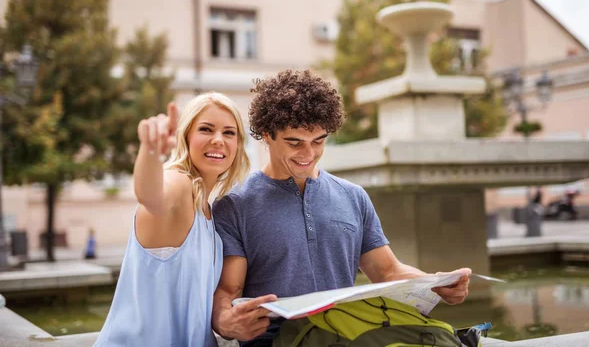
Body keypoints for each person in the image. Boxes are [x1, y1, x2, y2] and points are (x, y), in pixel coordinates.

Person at [212, 70, 471, 346]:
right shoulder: (235, 206)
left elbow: (388, 271)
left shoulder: (353, 197)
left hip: (343, 335)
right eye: (294, 142)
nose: (308, 154)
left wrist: (435, 283)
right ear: (267, 135)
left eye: (318, 141)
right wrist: (225, 322)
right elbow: (228, 290)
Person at [94, 92, 250, 347]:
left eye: (229, 133)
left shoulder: (209, 211)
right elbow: (152, 197)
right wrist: (151, 152)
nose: (218, 140)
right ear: (186, 136)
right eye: (206, 129)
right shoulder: (179, 184)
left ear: (238, 144)